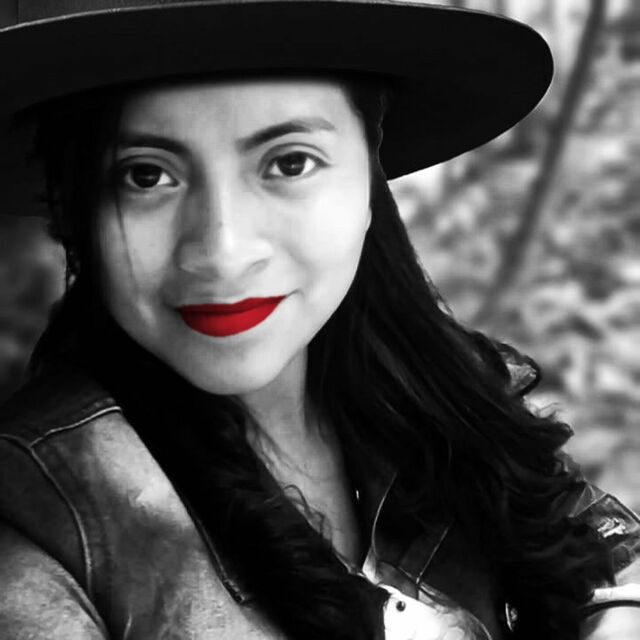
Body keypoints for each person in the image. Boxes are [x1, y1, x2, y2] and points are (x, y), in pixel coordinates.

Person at [0, 1, 638, 639]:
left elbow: (604, 554)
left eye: (290, 162)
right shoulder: (34, 516)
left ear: (370, 175)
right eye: (146, 176)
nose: (223, 251)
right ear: (78, 207)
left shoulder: (442, 385)